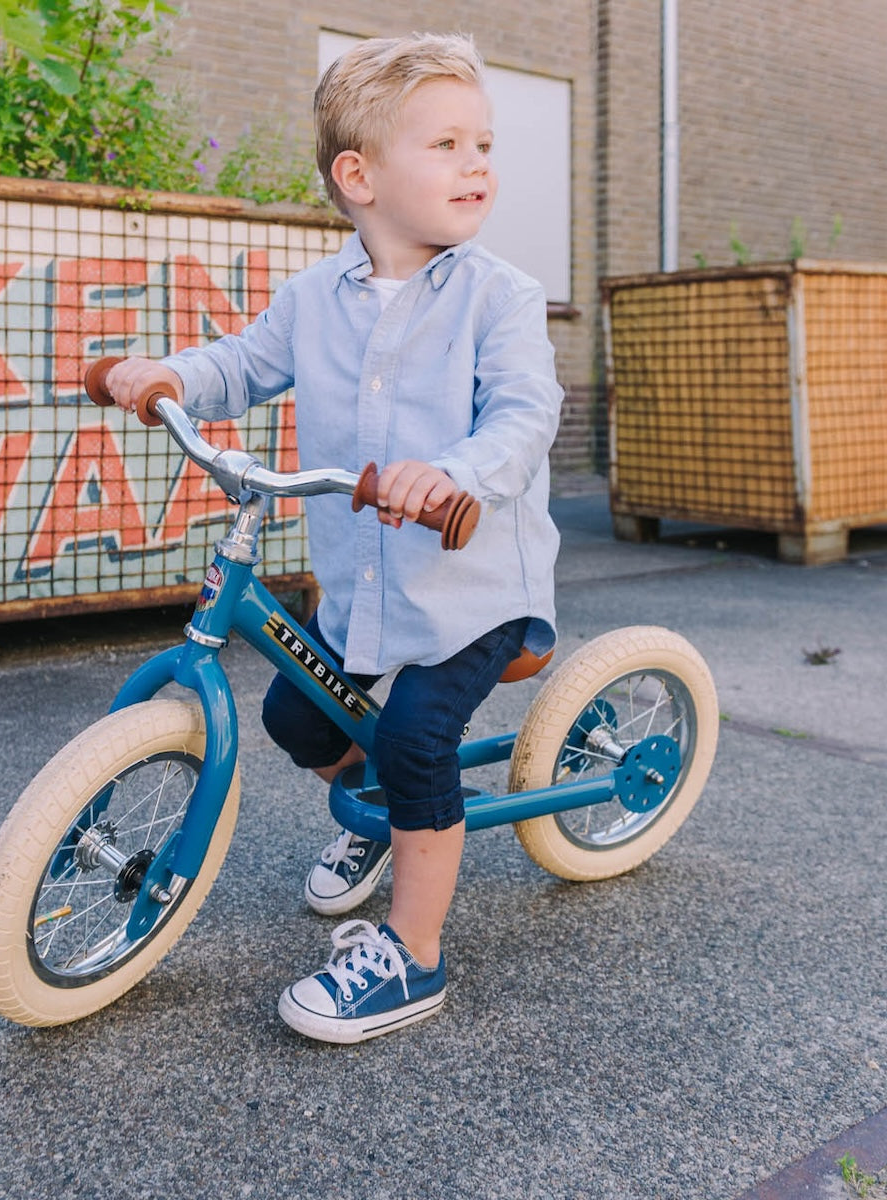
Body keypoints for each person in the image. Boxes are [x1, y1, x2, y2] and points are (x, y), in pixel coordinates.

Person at [103, 31, 562, 1043]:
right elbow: (243, 362)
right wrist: (171, 376)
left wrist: (455, 474)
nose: (478, 163)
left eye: (483, 143)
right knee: (301, 722)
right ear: (359, 177)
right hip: (362, 583)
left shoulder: (502, 297)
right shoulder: (314, 297)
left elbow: (526, 416)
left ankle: (414, 954)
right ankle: (383, 818)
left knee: (412, 735)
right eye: (447, 144)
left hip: (472, 588)